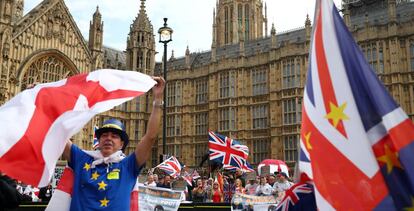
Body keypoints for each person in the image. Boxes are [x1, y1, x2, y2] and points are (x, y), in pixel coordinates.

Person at [61, 77, 165, 210]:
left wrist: (157, 100)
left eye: (114, 136)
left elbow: (150, 136)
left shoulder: (128, 165)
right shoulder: (81, 159)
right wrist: (36, 102)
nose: (108, 138)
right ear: (98, 141)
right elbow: (56, 133)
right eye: (104, 135)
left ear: (122, 144)